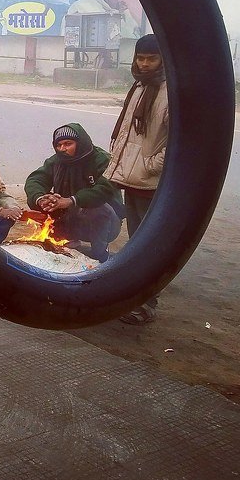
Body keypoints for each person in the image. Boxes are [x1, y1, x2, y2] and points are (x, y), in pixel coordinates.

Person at [104, 34, 169, 324]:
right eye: (140, 58)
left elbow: (182, 140)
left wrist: (151, 165)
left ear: (163, 59)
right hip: (133, 180)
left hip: (151, 183)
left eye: (151, 58)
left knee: (149, 246)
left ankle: (146, 304)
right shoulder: (140, 86)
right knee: (137, 242)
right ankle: (138, 296)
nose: (144, 64)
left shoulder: (170, 92)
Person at [24, 123, 123, 263]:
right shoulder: (57, 161)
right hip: (72, 217)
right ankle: (65, 242)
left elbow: (104, 190)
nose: (62, 149)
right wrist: (41, 199)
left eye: (68, 144)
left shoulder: (102, 160)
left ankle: (100, 255)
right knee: (46, 202)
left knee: (98, 208)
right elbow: (35, 179)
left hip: (107, 222)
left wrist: (71, 200)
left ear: (80, 143)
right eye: (59, 145)